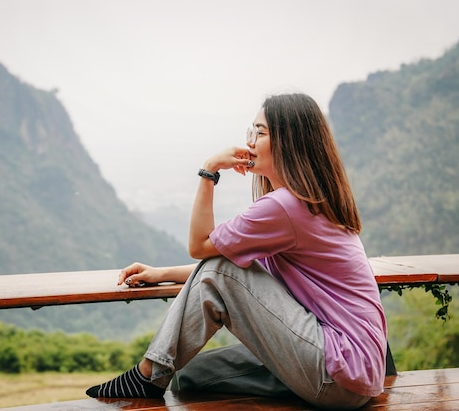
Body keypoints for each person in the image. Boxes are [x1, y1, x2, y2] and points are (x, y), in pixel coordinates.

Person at [86, 92, 387, 410]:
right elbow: (240, 267)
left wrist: (209, 170)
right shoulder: (309, 199)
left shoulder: (285, 206)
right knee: (192, 376)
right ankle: (157, 373)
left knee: (218, 275)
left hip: (338, 372)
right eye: (251, 131)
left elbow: (202, 249)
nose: (251, 141)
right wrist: (160, 274)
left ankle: (146, 376)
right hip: (358, 369)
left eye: (261, 132)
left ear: (289, 140)